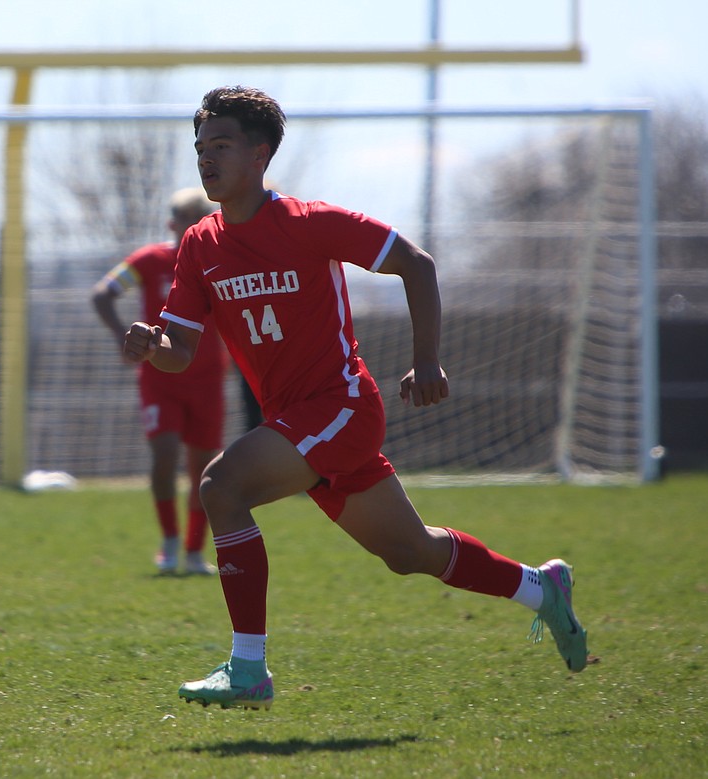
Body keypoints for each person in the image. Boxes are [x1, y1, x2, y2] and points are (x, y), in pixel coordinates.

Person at [122, 86, 588, 711]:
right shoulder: (200, 246)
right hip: (298, 423)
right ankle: (541, 590)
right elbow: (180, 351)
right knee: (409, 552)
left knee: (220, 486)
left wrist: (426, 361)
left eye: (222, 146)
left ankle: (248, 669)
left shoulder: (311, 224)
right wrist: (154, 344)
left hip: (339, 407)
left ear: (261, 154)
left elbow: (416, 265)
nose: (207, 159)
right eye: (201, 148)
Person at [92, 188, 228, 575]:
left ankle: (194, 551)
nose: (193, 229)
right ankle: (169, 542)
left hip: (207, 380)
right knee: (165, 454)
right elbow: (104, 292)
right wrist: (124, 336)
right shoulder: (149, 261)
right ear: (172, 224)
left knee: (205, 468)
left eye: (201, 221)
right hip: (160, 377)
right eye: (187, 220)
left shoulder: (218, 263)